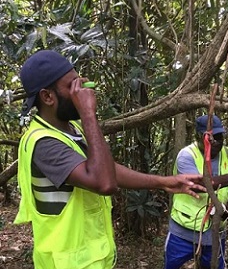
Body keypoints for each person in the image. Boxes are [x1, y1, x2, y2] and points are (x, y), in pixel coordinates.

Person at [14, 50, 206, 269]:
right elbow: (104, 182)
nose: (83, 90)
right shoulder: (43, 143)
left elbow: (106, 169)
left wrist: (165, 182)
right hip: (65, 263)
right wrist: (88, 113)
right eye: (72, 86)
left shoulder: (72, 129)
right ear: (48, 97)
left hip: (91, 259)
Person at [164, 114, 228, 269]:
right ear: (200, 136)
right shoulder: (186, 155)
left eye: (220, 137)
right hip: (183, 231)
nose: (217, 142)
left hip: (215, 232)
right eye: (212, 138)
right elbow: (199, 184)